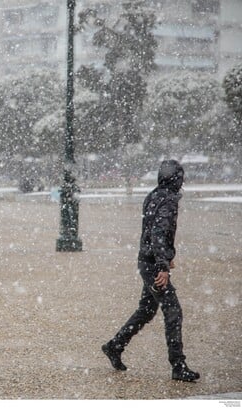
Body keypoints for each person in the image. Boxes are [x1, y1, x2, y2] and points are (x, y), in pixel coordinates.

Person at [101, 159, 200, 382]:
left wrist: (165, 256)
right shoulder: (169, 200)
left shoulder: (153, 195)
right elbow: (157, 233)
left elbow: (151, 233)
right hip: (153, 265)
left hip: (146, 261)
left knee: (146, 309)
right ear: (178, 179)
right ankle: (178, 365)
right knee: (173, 311)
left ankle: (115, 346)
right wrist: (163, 265)